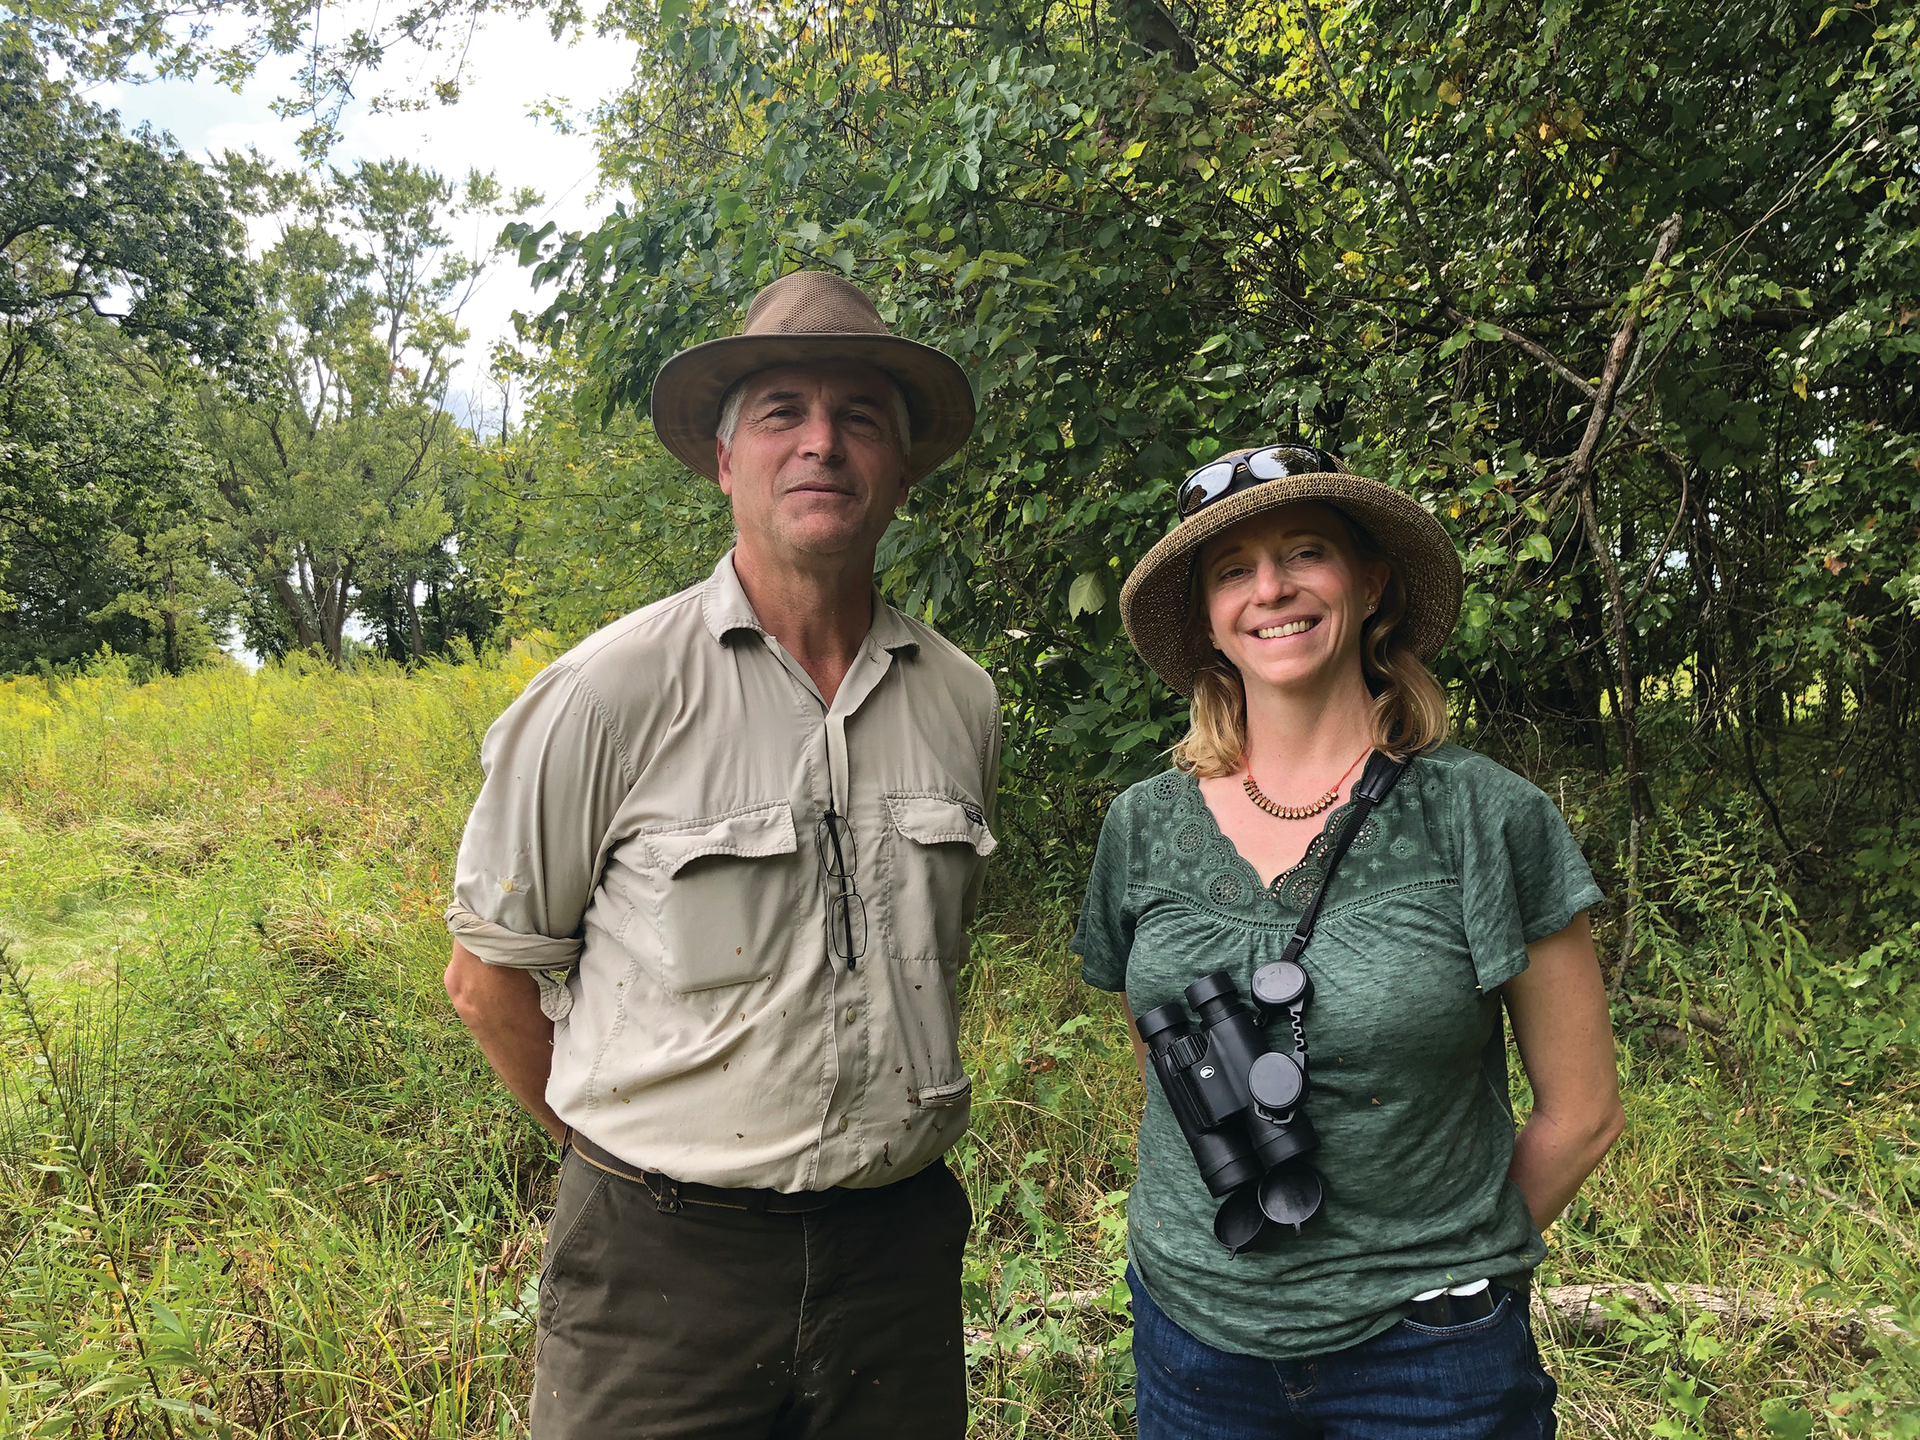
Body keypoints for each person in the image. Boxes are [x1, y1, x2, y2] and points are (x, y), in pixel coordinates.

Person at [441, 270, 1000, 1440]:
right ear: (723, 457)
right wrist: (645, 1173)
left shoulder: (960, 700)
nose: (822, 445)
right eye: (783, 412)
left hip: (893, 1259)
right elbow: (488, 983)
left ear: (902, 467)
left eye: (859, 418)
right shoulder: (609, 692)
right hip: (659, 1275)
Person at [1072, 442, 1624, 1439]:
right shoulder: (1142, 825)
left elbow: (1583, 1112)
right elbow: (1160, 1051)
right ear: (1207, 616)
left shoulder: (1486, 818)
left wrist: (1445, 1269)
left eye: (1305, 553)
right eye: (1233, 569)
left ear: (1370, 583)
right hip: (1193, 1337)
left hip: (1432, 1363)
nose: (1271, 589)